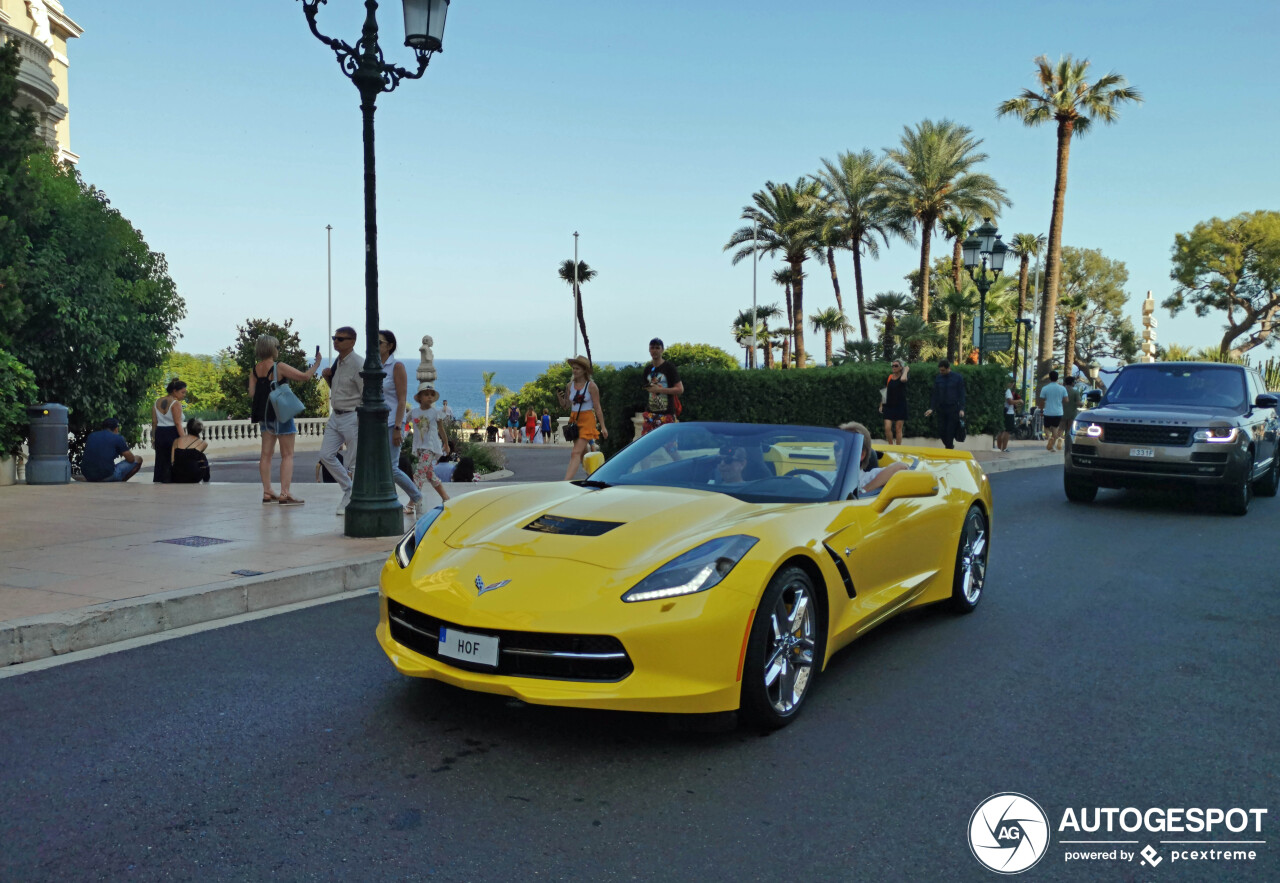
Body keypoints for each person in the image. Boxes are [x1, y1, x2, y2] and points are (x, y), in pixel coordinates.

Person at [250, 335, 322, 505]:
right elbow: (304, 377)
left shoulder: (254, 370)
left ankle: (267, 491)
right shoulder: (278, 367)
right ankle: (285, 493)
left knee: (265, 455)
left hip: (264, 416)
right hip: (281, 414)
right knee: (287, 455)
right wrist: (317, 363)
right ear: (272, 349)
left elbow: (252, 393)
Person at [379, 330, 424, 516]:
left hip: (392, 423)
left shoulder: (396, 366)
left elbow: (402, 399)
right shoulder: (374, 366)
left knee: (391, 467)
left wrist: (398, 427)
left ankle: (416, 496)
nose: (375, 346)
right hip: (376, 425)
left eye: (379, 342)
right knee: (379, 466)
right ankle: (387, 498)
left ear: (389, 346)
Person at [320, 326, 362, 516]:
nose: (336, 342)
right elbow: (336, 389)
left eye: (340, 339)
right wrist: (328, 378)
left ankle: (350, 496)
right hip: (336, 415)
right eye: (334, 338)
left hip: (352, 415)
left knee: (352, 462)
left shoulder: (359, 364)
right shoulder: (338, 362)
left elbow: (365, 394)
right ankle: (349, 489)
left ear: (352, 342)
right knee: (326, 455)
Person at [563, 355, 609, 480]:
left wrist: (603, 427)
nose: (574, 371)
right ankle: (593, 476)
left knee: (575, 452)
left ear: (584, 370)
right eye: (573, 368)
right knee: (583, 453)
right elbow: (566, 406)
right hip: (574, 420)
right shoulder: (569, 386)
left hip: (587, 419)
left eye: (577, 368)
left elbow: (597, 407)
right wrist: (560, 398)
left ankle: (565, 482)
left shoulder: (591, 386)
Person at [408, 384, 451, 506]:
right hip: (419, 447)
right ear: (420, 397)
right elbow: (403, 423)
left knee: (419, 474)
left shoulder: (436, 413)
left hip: (430, 447)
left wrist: (446, 444)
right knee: (430, 474)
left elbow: (441, 430)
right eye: (426, 394)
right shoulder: (413, 413)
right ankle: (446, 497)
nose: (430, 397)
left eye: (432, 395)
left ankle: (413, 502)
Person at [839, 420, 909, 496]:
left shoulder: (868, 478)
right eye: (836, 447)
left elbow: (901, 467)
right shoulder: (828, 475)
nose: (837, 452)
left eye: (844, 447)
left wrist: (864, 490)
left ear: (861, 455)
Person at [641, 338, 684, 436]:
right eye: (652, 348)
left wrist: (659, 389)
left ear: (662, 350)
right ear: (649, 350)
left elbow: (680, 389)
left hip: (666, 414)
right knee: (646, 446)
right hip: (650, 414)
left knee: (670, 446)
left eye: (657, 348)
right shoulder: (648, 369)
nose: (654, 350)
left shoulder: (669, 368)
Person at [81, 418, 142, 482]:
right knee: (138, 459)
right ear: (116, 428)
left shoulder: (91, 435)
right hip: (107, 475)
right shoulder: (118, 438)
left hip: (88, 476)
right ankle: (122, 481)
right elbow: (131, 459)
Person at [151, 379, 188, 483]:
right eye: (182, 392)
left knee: (161, 460)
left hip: (159, 433)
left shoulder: (156, 402)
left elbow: (154, 422)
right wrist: (184, 439)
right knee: (173, 458)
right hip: (172, 432)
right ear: (175, 391)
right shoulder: (175, 403)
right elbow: (177, 423)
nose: (184, 395)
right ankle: (171, 480)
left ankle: (161, 480)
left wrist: (153, 438)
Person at [924, 359, 966, 450]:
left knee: (950, 431)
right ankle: (949, 446)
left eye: (943, 370)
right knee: (941, 430)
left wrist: (962, 409)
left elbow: (961, 394)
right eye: (940, 370)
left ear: (948, 368)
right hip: (941, 408)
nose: (941, 372)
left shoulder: (957, 378)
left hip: (953, 408)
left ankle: (949, 449)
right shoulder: (938, 378)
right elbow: (935, 394)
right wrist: (932, 408)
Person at [170, 419, 211, 484]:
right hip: (193, 477)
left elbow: (172, 460)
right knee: (202, 456)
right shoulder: (203, 443)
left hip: (177, 476)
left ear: (188, 428)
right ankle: (206, 478)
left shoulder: (176, 441)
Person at [879, 359, 910, 445]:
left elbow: (903, 379)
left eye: (896, 366)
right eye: (892, 365)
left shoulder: (904, 376)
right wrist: (881, 404)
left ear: (901, 367)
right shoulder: (889, 377)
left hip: (900, 406)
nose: (894, 367)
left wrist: (906, 370)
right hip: (889, 406)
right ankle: (891, 446)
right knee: (887, 428)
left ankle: (898, 449)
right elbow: (884, 391)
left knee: (898, 428)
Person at [1038, 370, 1069, 453]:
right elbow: (1066, 400)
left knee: (1046, 428)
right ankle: (1054, 444)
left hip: (1048, 412)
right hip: (1058, 412)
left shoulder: (1045, 388)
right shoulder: (1062, 388)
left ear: (1049, 378)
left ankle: (1049, 437)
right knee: (1055, 429)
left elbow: (1041, 401)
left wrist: (1041, 410)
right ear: (1057, 378)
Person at [997, 380, 1021, 454]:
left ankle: (999, 448)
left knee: (1001, 431)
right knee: (1007, 431)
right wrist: (1019, 401)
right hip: (1008, 413)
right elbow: (1010, 402)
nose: (1012, 384)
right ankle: (1004, 448)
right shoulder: (1007, 391)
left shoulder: (1001, 390)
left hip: (1003, 411)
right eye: (1012, 382)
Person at [1061, 373, 1082, 451]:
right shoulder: (1075, 392)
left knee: (1061, 429)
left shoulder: (1061, 390)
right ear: (1072, 383)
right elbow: (1078, 403)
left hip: (1061, 412)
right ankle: (1067, 444)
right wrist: (1082, 404)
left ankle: (1058, 440)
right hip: (1072, 413)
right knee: (1069, 430)